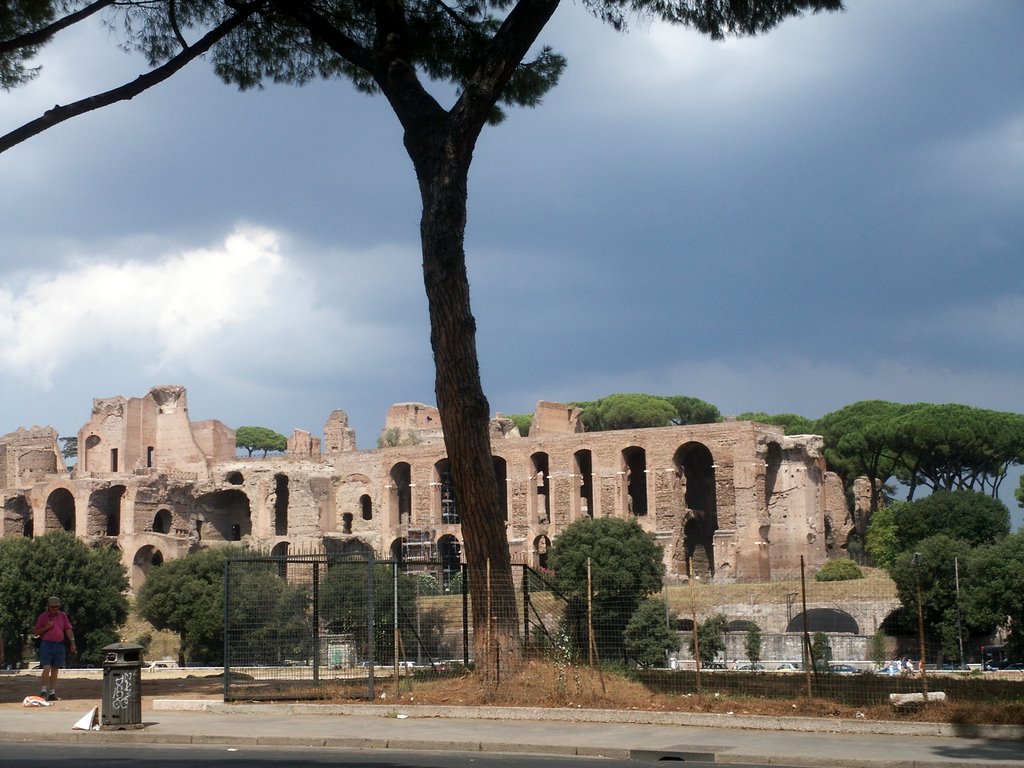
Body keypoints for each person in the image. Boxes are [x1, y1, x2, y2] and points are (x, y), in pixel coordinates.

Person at [33, 596, 76, 701]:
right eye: (52, 607)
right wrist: (46, 627)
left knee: (55, 669)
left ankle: (52, 693)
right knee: (46, 668)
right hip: (46, 644)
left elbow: (68, 629)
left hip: (59, 645)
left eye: (56, 607)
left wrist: (72, 643)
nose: (54, 609)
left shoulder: (62, 616)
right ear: (48, 606)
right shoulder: (43, 617)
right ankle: (43, 690)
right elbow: (35, 632)